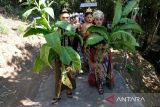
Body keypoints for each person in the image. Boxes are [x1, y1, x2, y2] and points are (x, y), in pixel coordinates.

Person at [52, 8, 76, 104]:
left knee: (69, 73)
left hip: (68, 55)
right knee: (58, 76)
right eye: (63, 17)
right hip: (58, 55)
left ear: (69, 18)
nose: (65, 19)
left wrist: (72, 32)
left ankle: (69, 90)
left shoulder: (71, 28)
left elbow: (74, 43)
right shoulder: (55, 28)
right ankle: (57, 94)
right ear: (60, 18)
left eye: (67, 18)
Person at [88, 10, 109, 94]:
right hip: (95, 53)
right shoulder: (92, 30)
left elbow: (108, 41)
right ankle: (99, 85)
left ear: (102, 20)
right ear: (94, 20)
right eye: (97, 19)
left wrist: (105, 49)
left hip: (104, 53)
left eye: (100, 19)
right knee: (98, 69)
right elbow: (89, 43)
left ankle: (102, 83)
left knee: (104, 69)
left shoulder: (105, 29)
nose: (99, 21)